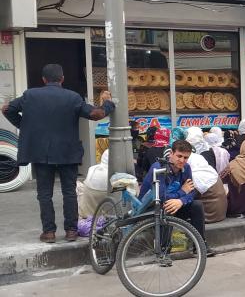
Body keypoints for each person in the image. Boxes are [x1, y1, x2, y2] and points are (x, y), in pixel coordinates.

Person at [2, 64, 114, 243]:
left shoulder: (30, 95)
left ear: (43, 80)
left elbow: (6, 109)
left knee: (44, 193)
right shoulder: (72, 97)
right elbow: (96, 114)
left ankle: (49, 233)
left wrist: (24, 126)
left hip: (41, 152)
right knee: (69, 191)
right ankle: (71, 231)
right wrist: (108, 103)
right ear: (62, 79)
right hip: (67, 152)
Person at [139, 140, 215, 256]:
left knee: (197, 205)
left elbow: (192, 192)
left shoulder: (186, 168)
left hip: (174, 204)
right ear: (171, 154)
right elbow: (160, 197)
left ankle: (200, 245)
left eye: (185, 157)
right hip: (151, 207)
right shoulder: (159, 168)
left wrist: (180, 201)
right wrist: (181, 192)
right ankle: (163, 251)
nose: (182, 160)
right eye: (179, 156)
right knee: (169, 206)